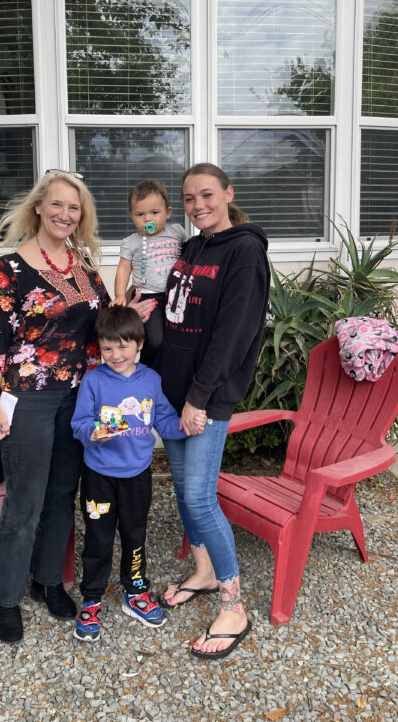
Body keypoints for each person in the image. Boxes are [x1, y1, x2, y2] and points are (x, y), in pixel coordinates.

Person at [0, 170, 152, 644]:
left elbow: (102, 323)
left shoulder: (82, 263)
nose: (64, 214)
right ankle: (6, 597)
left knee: (61, 494)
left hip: (78, 395)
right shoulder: (10, 268)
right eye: (56, 204)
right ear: (38, 206)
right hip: (29, 396)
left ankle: (47, 582)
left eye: (73, 208)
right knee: (25, 499)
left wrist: (129, 310)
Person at [156, 163, 271, 661]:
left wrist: (199, 398)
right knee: (184, 492)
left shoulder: (244, 251)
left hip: (206, 395)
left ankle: (234, 606)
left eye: (207, 194)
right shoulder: (192, 246)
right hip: (173, 391)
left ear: (228, 192)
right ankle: (203, 572)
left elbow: (233, 334)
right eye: (189, 198)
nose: (198, 205)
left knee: (201, 500)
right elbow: (181, 312)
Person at [70, 305, 205, 642]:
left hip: (137, 477)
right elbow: (79, 424)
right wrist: (95, 432)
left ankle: (135, 591)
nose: (116, 355)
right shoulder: (93, 380)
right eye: (107, 348)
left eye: (123, 346)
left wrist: (186, 427)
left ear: (140, 343)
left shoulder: (151, 380)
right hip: (98, 476)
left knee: (135, 535)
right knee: (98, 538)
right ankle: (91, 598)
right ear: (99, 348)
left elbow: (163, 420)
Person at [112, 180, 187, 369]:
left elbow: (191, 250)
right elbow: (123, 268)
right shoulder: (131, 242)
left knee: (177, 340)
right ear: (131, 216)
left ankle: (168, 372)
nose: (147, 219)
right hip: (149, 297)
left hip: (177, 296)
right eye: (140, 214)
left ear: (168, 212)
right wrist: (120, 295)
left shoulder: (177, 231)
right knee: (155, 340)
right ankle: (146, 369)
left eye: (154, 212)